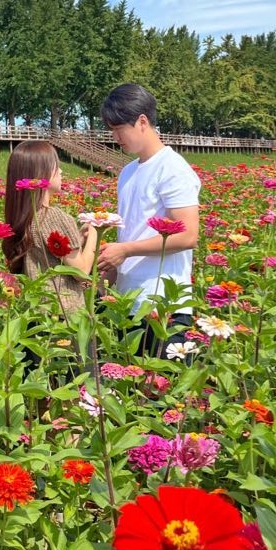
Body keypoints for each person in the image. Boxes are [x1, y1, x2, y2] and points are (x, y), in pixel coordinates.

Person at [97, 83, 201, 355]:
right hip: (128, 301)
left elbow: (188, 235)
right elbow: (134, 231)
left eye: (119, 129)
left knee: (162, 393)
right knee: (130, 390)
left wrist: (126, 250)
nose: (116, 137)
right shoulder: (129, 172)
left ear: (142, 121)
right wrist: (114, 265)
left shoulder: (173, 169)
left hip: (164, 306)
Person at [2, 140, 98, 316]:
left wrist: (78, 238)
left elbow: (50, 254)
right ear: (40, 174)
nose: (61, 171)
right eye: (56, 166)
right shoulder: (54, 216)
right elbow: (81, 271)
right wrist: (94, 234)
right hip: (65, 314)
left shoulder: (26, 217)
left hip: (36, 312)